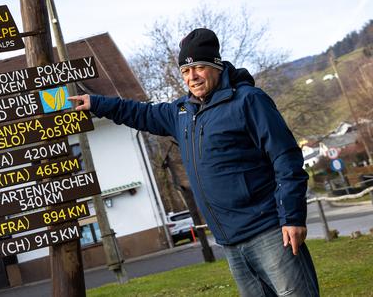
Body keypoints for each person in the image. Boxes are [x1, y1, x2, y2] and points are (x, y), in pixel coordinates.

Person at [70, 28, 319, 296]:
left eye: (199, 68)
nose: (193, 77)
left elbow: (286, 157)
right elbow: (140, 113)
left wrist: (292, 216)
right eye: (186, 72)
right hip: (230, 242)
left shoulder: (248, 101)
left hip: (269, 231)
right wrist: (95, 103)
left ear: (217, 66)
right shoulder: (182, 112)